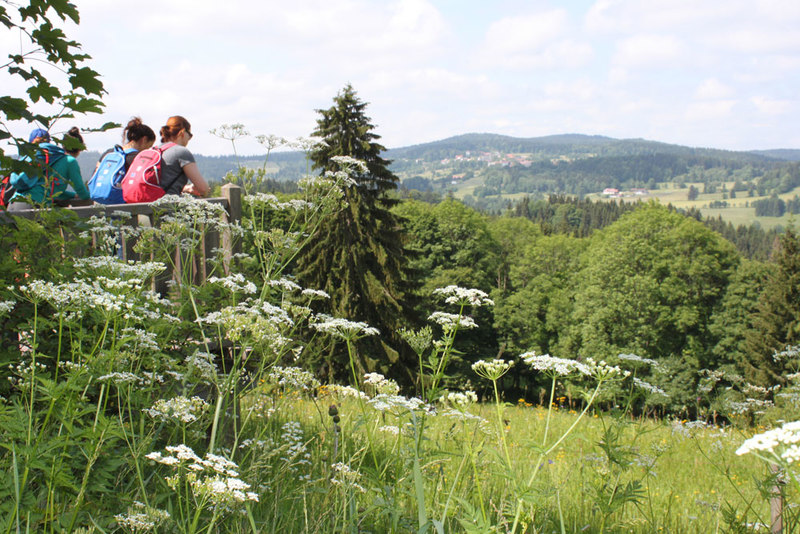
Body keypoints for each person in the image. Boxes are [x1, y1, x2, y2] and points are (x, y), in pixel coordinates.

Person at [7, 128, 90, 211]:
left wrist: (72, 195)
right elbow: (81, 190)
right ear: (80, 148)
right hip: (33, 204)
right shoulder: (70, 161)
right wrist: (90, 197)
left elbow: (53, 191)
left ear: (63, 145)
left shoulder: (50, 158)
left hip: (15, 202)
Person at [156, 116, 209, 197]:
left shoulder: (155, 150)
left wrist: (186, 188)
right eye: (190, 135)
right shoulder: (181, 152)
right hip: (166, 207)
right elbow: (203, 189)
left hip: (145, 205)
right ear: (183, 132)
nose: (189, 139)